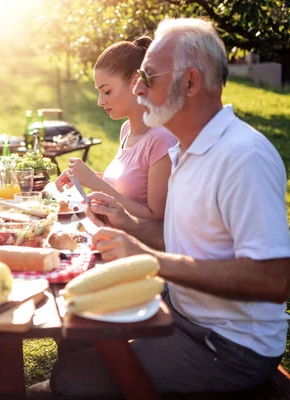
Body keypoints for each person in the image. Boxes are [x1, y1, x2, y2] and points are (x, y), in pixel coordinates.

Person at [39, 18, 290, 396]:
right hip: (185, 314)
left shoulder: (243, 157)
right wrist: (127, 222)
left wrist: (150, 260)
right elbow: (176, 237)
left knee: (70, 378)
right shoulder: (185, 149)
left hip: (230, 345)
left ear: (190, 82)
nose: (137, 88)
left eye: (148, 77)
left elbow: (274, 280)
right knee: (76, 332)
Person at [55, 37, 177, 221]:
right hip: (108, 233)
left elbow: (156, 220)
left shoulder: (161, 138)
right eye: (99, 91)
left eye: (107, 91)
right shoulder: (127, 129)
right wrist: (85, 177)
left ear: (136, 82)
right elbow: (128, 187)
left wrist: (96, 183)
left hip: (134, 246)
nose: (100, 101)